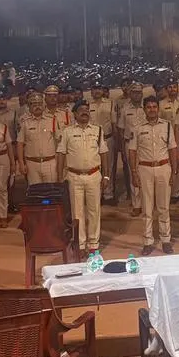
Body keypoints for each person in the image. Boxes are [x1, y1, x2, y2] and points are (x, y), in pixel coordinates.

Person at [56, 99, 110, 258]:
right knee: (77, 213)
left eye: (87, 110)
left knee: (94, 211)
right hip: (74, 176)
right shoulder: (67, 132)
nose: (85, 113)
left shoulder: (98, 130)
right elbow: (61, 154)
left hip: (94, 175)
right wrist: (60, 178)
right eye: (81, 110)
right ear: (74, 114)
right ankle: (79, 244)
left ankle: (93, 244)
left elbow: (104, 153)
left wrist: (106, 175)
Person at [129, 96, 179, 255]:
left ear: (158, 108)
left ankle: (166, 240)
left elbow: (172, 149)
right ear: (144, 109)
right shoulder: (137, 128)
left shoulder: (167, 126)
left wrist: (174, 171)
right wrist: (134, 173)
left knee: (164, 207)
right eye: (148, 107)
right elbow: (132, 151)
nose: (152, 109)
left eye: (154, 107)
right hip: (145, 169)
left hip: (164, 167)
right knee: (147, 208)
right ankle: (148, 241)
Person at [17, 92, 60, 184]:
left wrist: (59, 162)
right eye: (34, 104)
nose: (37, 107)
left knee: (50, 192)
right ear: (29, 107)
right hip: (32, 164)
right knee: (36, 192)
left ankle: (47, 200)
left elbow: (58, 142)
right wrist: (21, 163)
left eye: (40, 104)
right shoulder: (25, 122)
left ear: (44, 105)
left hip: (50, 162)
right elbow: (20, 144)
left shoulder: (52, 120)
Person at [116, 83, 145, 214]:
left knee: (147, 173)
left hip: (146, 145)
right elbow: (121, 130)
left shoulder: (148, 107)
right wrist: (122, 149)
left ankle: (147, 203)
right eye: (134, 92)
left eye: (139, 92)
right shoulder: (125, 109)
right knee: (133, 173)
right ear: (130, 94)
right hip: (130, 144)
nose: (137, 95)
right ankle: (136, 205)